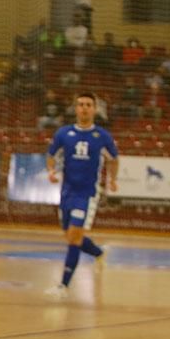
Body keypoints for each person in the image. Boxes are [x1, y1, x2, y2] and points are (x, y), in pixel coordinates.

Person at [45, 92, 118, 299]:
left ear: (95, 109)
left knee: (75, 236)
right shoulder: (63, 133)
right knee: (70, 235)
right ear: (75, 109)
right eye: (80, 105)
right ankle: (98, 252)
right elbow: (51, 155)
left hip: (87, 194)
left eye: (88, 105)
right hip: (67, 192)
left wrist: (112, 179)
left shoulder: (102, 136)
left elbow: (114, 158)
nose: (84, 108)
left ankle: (63, 286)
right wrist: (51, 171)